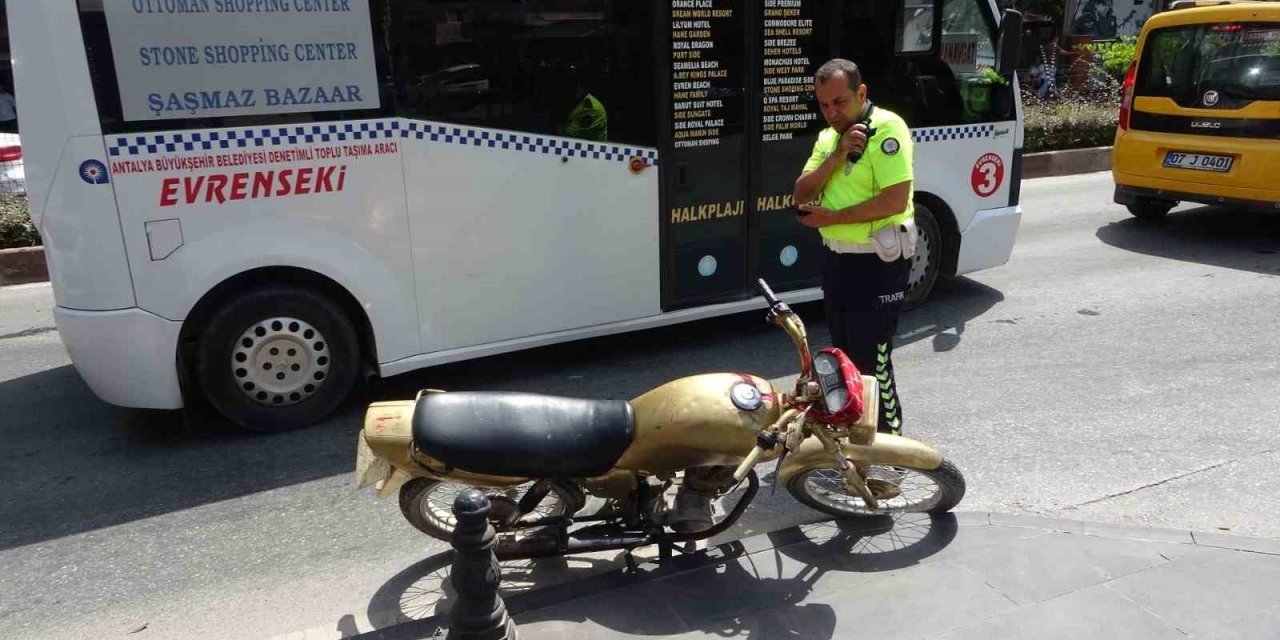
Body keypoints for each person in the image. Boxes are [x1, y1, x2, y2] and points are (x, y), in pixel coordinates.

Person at [792, 58, 915, 436]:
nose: (832, 112)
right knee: (842, 358)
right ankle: (851, 435)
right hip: (838, 261)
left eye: (840, 102)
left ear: (861, 93)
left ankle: (889, 444)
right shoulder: (830, 139)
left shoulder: (888, 128)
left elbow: (895, 200)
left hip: (878, 264)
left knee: (873, 363)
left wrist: (832, 217)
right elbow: (800, 193)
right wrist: (839, 153)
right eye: (824, 105)